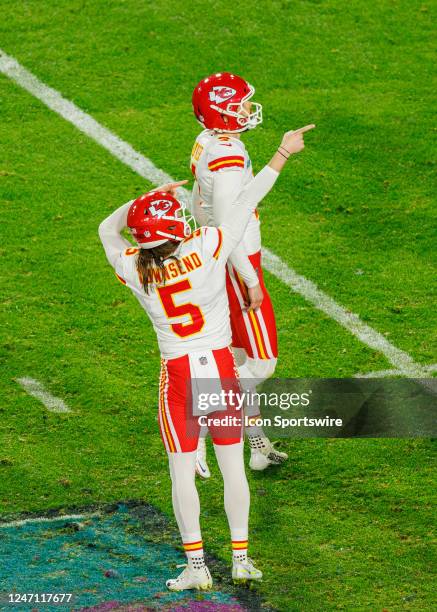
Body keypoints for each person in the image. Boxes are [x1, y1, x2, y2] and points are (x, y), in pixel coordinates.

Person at [98, 125, 314, 591]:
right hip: (219, 370)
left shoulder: (136, 268)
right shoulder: (208, 246)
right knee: (233, 468)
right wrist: (281, 154)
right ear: (177, 229)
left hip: (177, 375)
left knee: (182, 474)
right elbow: (242, 203)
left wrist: (142, 203)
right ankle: (241, 559)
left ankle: (197, 567)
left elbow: (106, 230)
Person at [190, 72, 291, 475]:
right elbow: (231, 220)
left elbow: (206, 206)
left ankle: (257, 445)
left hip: (219, 260)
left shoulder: (208, 142)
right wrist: (249, 279)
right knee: (261, 365)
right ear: (224, 113)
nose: (248, 109)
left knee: (235, 361)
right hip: (237, 262)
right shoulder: (228, 156)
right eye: (241, 104)